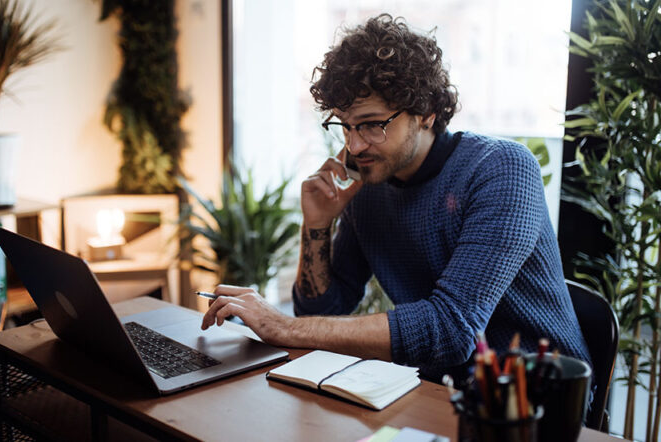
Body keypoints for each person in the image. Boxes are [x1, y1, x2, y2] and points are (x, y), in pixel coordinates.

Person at [201, 13, 591, 382]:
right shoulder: (367, 185)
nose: (354, 145)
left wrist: (282, 324)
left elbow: (451, 329)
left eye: (371, 125)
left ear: (426, 112)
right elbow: (323, 312)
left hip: (541, 396)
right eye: (345, 126)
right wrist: (317, 224)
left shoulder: (501, 169)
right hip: (435, 389)